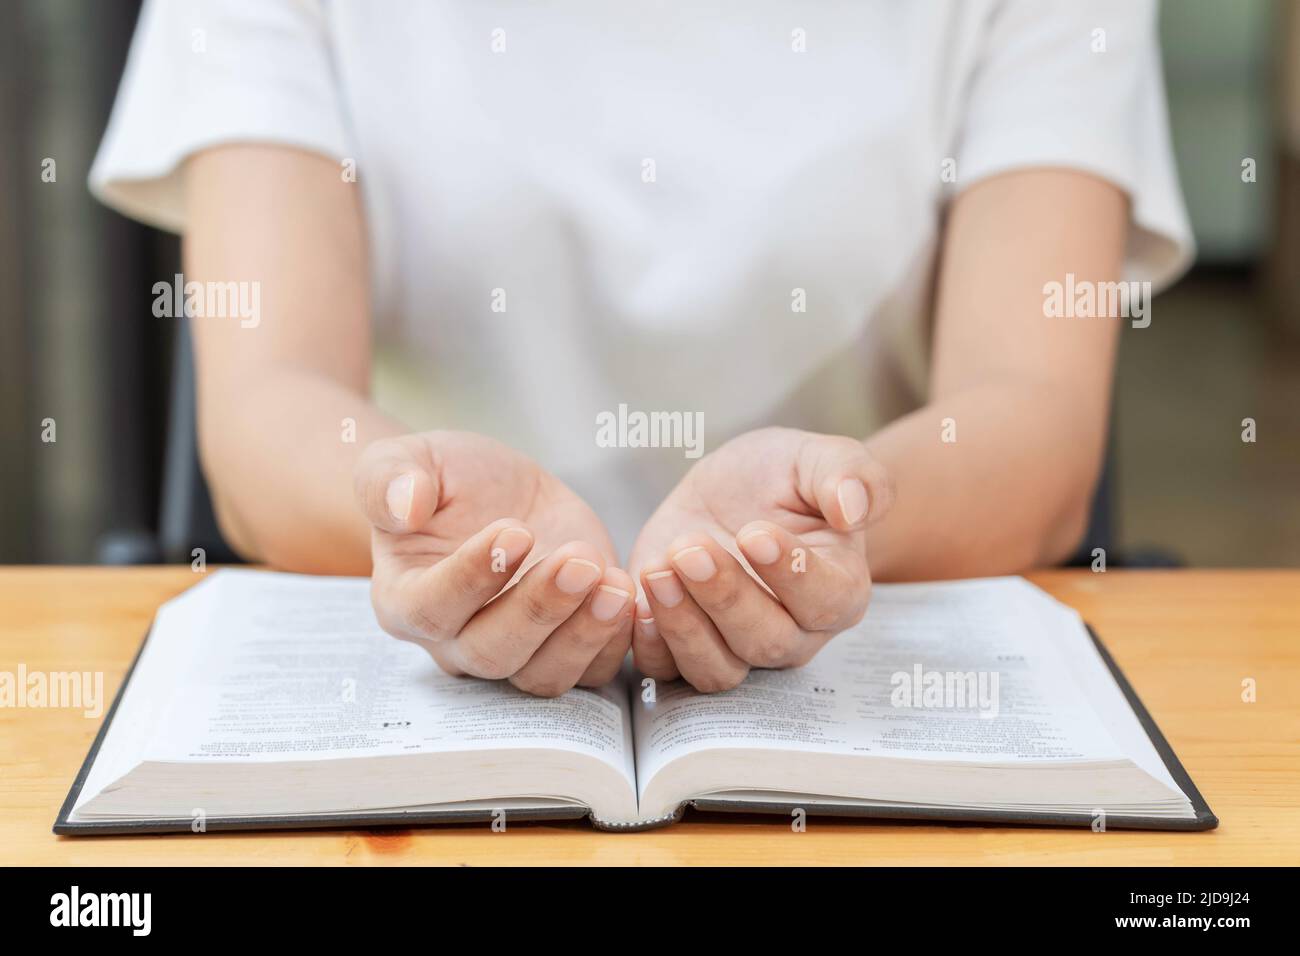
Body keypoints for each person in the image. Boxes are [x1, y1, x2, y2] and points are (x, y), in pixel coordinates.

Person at [91, 0, 1192, 696]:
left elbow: (1032, 415)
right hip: (416, 678)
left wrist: (834, 516)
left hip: (865, 660)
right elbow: (266, 403)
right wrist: (414, 506)